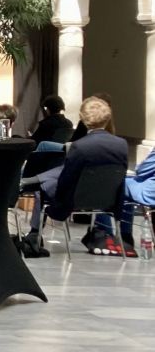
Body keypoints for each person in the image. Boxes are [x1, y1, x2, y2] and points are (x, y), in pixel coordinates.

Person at [20, 96, 128, 257]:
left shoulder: (80, 146)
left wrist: (57, 198)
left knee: (43, 188)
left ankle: (35, 233)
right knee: (56, 175)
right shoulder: (122, 145)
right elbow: (120, 176)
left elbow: (67, 180)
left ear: (83, 118)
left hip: (75, 199)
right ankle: (37, 180)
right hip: (107, 199)